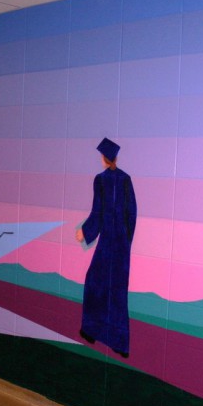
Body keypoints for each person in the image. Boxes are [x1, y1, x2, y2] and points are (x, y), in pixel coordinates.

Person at [76, 137, 137, 358]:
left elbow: (97, 212)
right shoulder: (125, 180)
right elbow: (132, 213)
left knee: (95, 283)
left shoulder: (100, 180)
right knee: (117, 291)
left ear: (104, 157)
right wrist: (126, 241)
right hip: (120, 244)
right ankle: (119, 343)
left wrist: (85, 232)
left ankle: (91, 330)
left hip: (108, 242)